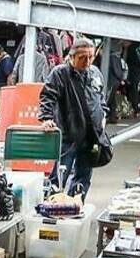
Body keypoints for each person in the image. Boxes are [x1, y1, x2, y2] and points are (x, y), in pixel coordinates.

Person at [39, 38, 109, 198]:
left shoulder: (95, 73)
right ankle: (53, 205)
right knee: (60, 174)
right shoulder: (60, 73)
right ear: (72, 57)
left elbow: (101, 98)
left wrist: (103, 115)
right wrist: (46, 118)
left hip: (92, 135)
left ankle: (76, 204)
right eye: (83, 57)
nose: (87, 61)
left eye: (91, 57)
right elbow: (48, 96)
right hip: (68, 134)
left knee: (84, 176)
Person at [106, 42, 127, 123]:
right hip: (115, 81)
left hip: (113, 81)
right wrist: (121, 79)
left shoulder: (112, 57)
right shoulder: (115, 58)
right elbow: (117, 70)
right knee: (112, 100)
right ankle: (112, 117)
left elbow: (115, 70)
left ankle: (109, 116)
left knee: (109, 99)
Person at [0, 43, 14, 111]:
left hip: (2, 89)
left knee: (1, 108)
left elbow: (9, 75)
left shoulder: (7, 60)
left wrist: (8, 89)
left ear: (0, 53)